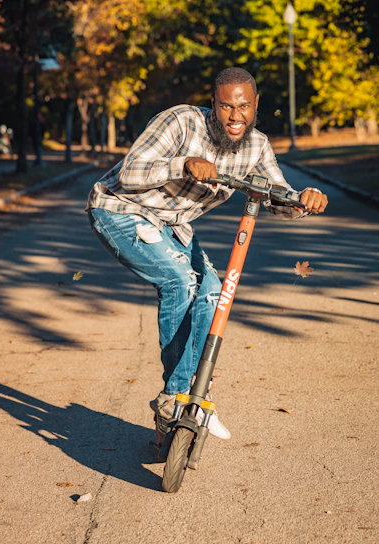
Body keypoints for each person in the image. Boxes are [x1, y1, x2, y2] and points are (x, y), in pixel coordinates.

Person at [86, 67, 328, 440]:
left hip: (173, 226)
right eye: (227, 106)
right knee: (180, 281)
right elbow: (129, 174)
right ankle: (178, 395)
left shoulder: (256, 146)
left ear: (256, 104)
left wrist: (302, 200)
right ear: (212, 103)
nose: (236, 116)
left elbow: (276, 194)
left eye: (244, 106)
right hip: (121, 210)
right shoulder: (181, 121)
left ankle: (193, 396)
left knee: (214, 294)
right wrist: (182, 164)